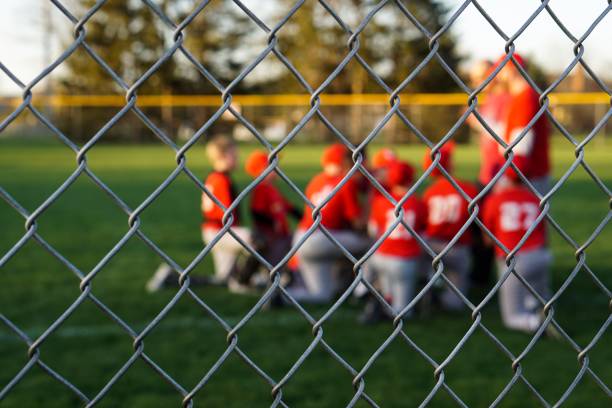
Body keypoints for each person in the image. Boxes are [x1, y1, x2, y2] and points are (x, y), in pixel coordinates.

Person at [289, 143, 370, 303]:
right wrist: (368, 198)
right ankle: (364, 291)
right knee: (372, 244)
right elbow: (358, 225)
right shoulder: (345, 182)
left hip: (300, 238)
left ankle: (283, 295)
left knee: (321, 295)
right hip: (320, 240)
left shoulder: (316, 180)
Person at [482, 157, 553, 333]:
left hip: (514, 261)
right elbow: (545, 236)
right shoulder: (537, 199)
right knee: (535, 297)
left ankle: (536, 324)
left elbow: (487, 239)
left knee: (512, 317)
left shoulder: (495, 199)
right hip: (540, 256)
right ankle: (539, 310)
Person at [360, 160, 427, 323]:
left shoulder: (381, 201)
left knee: (384, 275)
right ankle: (392, 308)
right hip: (405, 261)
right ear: (411, 180)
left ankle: (376, 297)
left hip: (381, 257)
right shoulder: (418, 203)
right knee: (403, 312)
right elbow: (424, 234)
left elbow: (373, 231)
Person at [422, 142, 479, 311]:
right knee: (455, 303)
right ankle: (444, 297)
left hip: (431, 247)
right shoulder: (468, 188)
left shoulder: (429, 192)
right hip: (458, 250)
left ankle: (426, 287)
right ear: (451, 165)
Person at [497, 54, 551, 196]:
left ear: (512, 70)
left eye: (501, 70)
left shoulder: (526, 97)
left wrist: (509, 178)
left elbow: (521, 144)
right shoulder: (519, 96)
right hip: (525, 174)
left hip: (528, 176)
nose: (498, 75)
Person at [243, 150, 302, 279]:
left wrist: (304, 217)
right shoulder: (260, 188)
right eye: (273, 166)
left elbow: (288, 207)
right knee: (276, 262)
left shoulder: (272, 188)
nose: (277, 168)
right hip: (270, 236)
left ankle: (286, 274)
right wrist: (271, 223)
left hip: (281, 234)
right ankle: (276, 276)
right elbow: (256, 212)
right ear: (261, 170)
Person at [467, 59, 510, 190]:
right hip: (488, 170)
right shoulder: (489, 98)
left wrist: (477, 121)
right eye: (473, 79)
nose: (476, 83)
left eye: (480, 77)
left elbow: (506, 135)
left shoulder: (506, 98)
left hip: (502, 170)